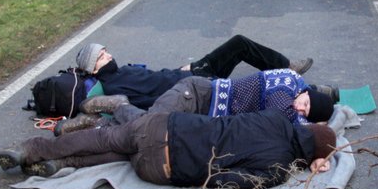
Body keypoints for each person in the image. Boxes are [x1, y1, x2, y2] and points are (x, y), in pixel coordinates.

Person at [0, 109, 338, 189]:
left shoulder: (276, 119)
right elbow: (223, 184)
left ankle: (31, 149)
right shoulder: (279, 171)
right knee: (127, 155)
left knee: (107, 139)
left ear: (307, 128)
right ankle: (63, 163)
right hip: (162, 169)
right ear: (314, 159)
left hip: (165, 127)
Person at [55, 69, 335, 134]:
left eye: (305, 112)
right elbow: (279, 113)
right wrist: (310, 125)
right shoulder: (287, 82)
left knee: (148, 133)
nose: (299, 108)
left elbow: (289, 122)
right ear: (305, 92)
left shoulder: (296, 98)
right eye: (305, 103)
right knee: (149, 124)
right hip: (198, 95)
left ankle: (95, 123)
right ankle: (118, 105)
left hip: (203, 116)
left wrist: (309, 122)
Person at [75, 37, 312, 109]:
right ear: (93, 67)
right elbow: (151, 102)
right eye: (102, 56)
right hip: (195, 87)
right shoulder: (115, 86)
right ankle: (302, 95)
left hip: (192, 71)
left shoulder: (124, 70)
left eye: (106, 51)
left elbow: (158, 77)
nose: (109, 55)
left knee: (239, 44)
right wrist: (187, 88)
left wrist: (183, 69)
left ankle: (286, 67)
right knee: (249, 88)